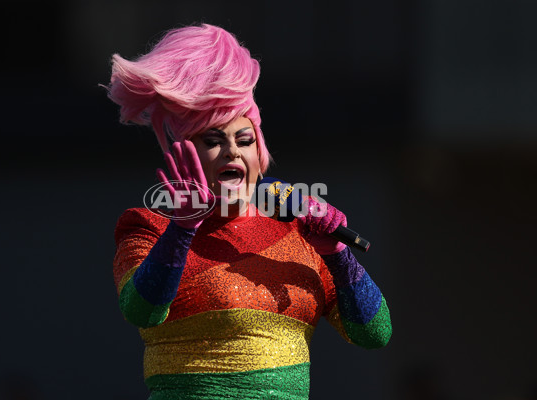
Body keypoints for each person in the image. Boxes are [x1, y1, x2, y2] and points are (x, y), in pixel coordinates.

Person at [107, 23, 392, 400]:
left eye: (244, 140)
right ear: (184, 152)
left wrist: (337, 255)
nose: (232, 151)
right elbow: (141, 310)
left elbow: (374, 334)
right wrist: (183, 229)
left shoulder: (301, 235)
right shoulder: (149, 228)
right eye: (213, 141)